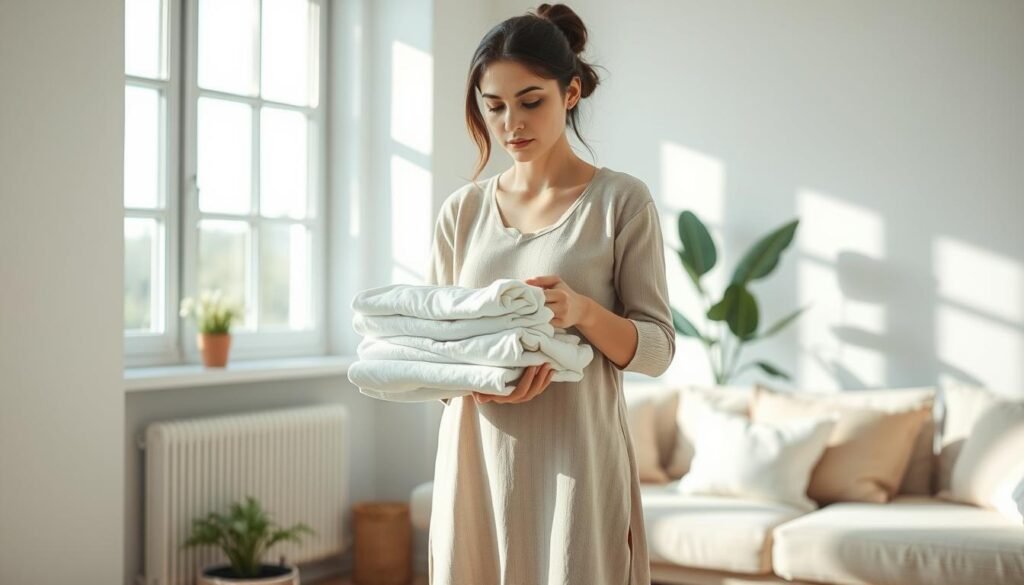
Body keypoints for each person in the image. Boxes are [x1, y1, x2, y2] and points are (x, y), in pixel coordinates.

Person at [425, 4, 675, 584]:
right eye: (495, 106)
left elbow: (658, 349)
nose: (512, 123)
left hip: (578, 462)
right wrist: (484, 382)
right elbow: (433, 353)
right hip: (476, 462)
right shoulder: (460, 212)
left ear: (571, 93)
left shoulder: (621, 203)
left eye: (530, 100)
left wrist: (582, 310)